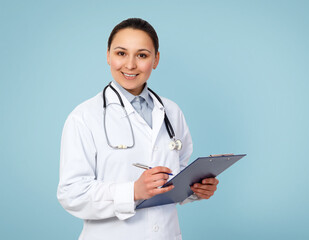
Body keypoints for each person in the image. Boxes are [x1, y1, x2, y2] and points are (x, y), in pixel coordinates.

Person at [57, 18, 219, 240]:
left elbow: (177, 174)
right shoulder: (84, 117)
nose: (130, 65)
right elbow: (72, 194)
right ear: (108, 55)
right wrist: (133, 191)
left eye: (142, 55)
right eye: (121, 53)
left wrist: (195, 190)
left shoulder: (171, 111)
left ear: (156, 59)